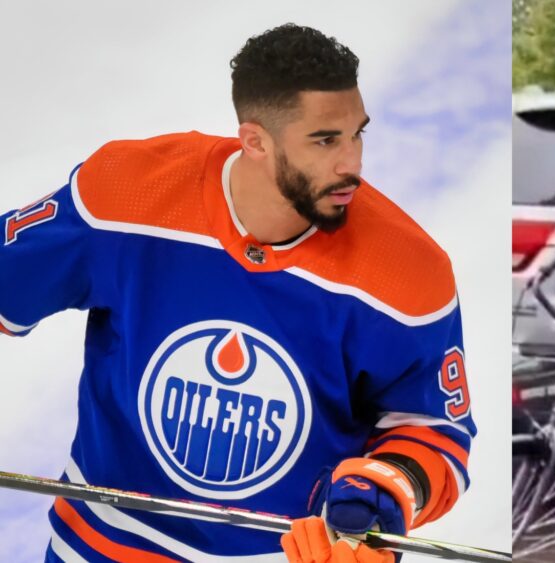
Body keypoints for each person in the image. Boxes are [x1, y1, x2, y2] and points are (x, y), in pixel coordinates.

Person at [0, 24, 474, 563]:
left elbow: (435, 432)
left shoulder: (408, 273)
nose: (353, 163)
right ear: (254, 140)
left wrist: (383, 491)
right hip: (105, 548)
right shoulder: (125, 194)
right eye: (324, 140)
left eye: (357, 134)